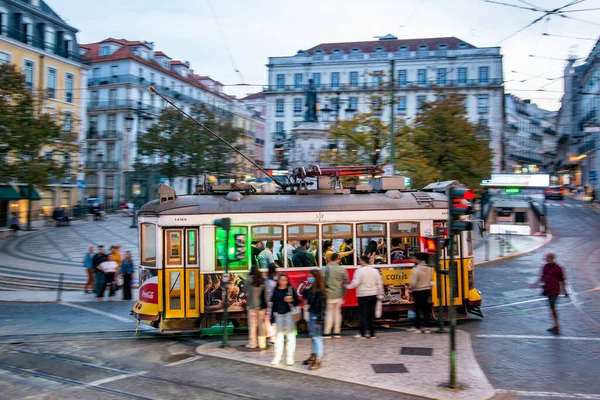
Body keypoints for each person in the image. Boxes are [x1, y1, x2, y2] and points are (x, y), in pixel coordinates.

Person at [347, 255, 384, 339]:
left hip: (363, 295)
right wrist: (380, 294)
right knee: (371, 314)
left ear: (363, 261)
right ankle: (372, 333)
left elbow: (356, 282)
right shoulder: (375, 271)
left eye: (360, 261)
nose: (359, 262)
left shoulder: (359, 271)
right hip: (373, 294)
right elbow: (379, 283)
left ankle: (362, 333)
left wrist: (348, 286)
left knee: (363, 315)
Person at [270, 273, 299, 365]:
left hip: (289, 314)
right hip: (279, 315)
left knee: (291, 336)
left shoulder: (290, 290)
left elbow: (297, 301)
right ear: (278, 281)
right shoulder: (275, 290)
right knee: (279, 337)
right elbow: (273, 304)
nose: (283, 282)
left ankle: (290, 357)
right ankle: (277, 357)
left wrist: (292, 301)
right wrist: (271, 318)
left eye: (285, 280)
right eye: (281, 280)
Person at [302, 269, 326, 370]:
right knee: (313, 337)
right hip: (311, 313)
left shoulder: (319, 290)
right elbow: (306, 298)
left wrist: (319, 320)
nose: (309, 278)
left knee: (317, 337)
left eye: (310, 276)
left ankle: (318, 360)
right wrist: (305, 289)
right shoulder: (312, 288)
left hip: (316, 316)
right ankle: (314, 355)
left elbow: (321, 306)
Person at [539, 253, 567, 333]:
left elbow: (562, 280)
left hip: (555, 290)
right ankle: (555, 325)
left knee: (552, 305)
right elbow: (543, 277)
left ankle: (556, 325)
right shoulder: (545, 267)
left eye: (547, 257)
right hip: (548, 290)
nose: (546, 259)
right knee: (551, 307)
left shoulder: (558, 268)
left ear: (551, 258)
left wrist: (564, 291)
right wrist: (536, 283)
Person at [322, 253, 349, 339]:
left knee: (329, 313)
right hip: (339, 293)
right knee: (337, 313)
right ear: (338, 259)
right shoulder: (342, 270)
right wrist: (343, 293)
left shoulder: (325, 268)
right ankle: (337, 332)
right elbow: (346, 282)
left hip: (328, 293)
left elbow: (321, 281)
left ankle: (327, 332)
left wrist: (324, 292)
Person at [243, 265, 269, 349]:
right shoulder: (262, 281)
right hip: (261, 307)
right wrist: (267, 306)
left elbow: (244, 290)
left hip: (252, 306)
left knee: (252, 326)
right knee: (261, 325)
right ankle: (262, 344)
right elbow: (266, 295)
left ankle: (253, 344)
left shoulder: (248, 280)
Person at [407, 253, 434, 333]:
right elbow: (431, 280)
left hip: (418, 291)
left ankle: (417, 327)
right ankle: (426, 327)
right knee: (425, 309)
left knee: (417, 309)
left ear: (418, 260)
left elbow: (413, 282)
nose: (413, 260)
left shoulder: (416, 269)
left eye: (414, 258)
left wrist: (410, 288)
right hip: (426, 290)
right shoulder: (429, 269)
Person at [264, 264, 278, 344]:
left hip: (268, 300)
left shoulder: (266, 279)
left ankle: (269, 335)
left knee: (268, 319)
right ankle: (273, 338)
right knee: (274, 319)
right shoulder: (276, 279)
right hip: (275, 301)